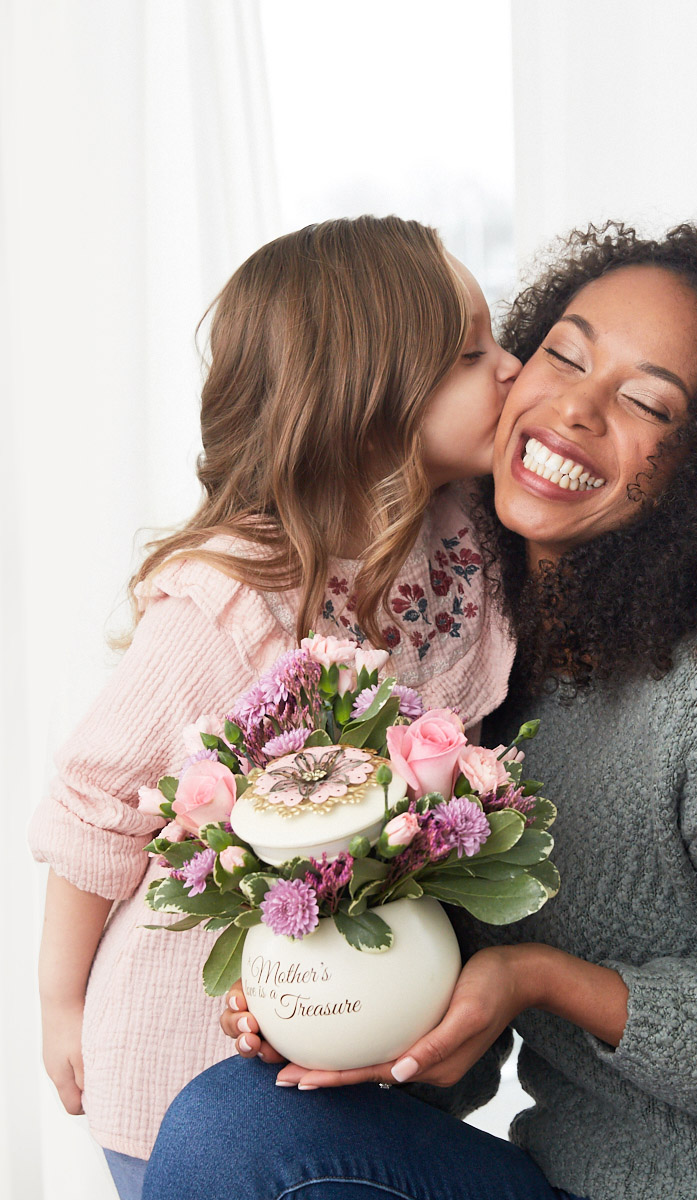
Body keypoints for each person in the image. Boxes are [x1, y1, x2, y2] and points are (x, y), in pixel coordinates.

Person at [147, 222, 697, 1200]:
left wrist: (546, 981)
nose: (577, 408)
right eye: (564, 356)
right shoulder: (483, 686)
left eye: (643, 402)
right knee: (239, 1123)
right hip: (580, 1186)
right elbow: (453, 1062)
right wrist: (329, 1012)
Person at [27, 214, 521, 1200]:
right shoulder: (235, 600)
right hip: (183, 1063)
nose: (512, 369)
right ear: (368, 406)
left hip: (350, 1053)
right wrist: (59, 1006)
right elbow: (98, 796)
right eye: (472, 355)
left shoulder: (466, 544)